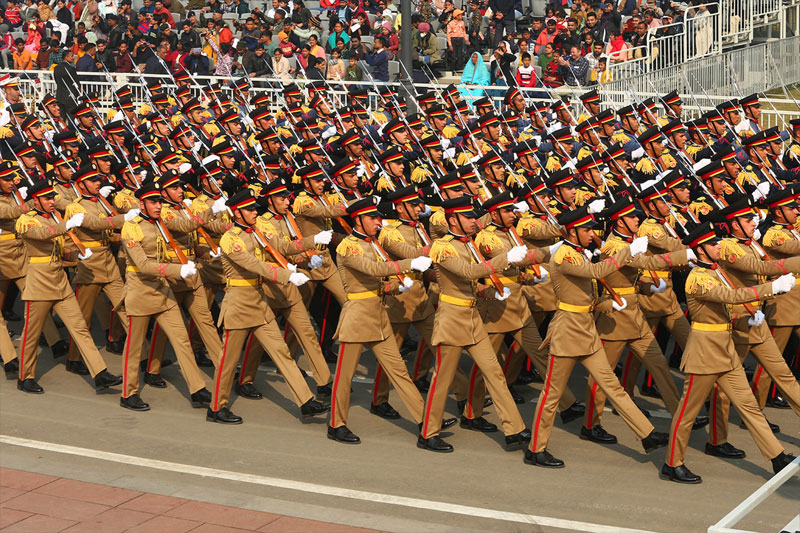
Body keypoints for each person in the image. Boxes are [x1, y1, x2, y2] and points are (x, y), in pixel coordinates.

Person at [15, 178, 122, 395]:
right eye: (46, 198)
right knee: (32, 334)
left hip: (60, 283)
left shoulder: (55, 217)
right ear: (36, 200)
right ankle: (25, 377)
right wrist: (67, 225)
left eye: (52, 197)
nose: (52, 202)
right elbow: (42, 235)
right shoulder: (26, 220)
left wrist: (79, 256)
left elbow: (63, 252)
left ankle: (99, 373)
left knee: (80, 328)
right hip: (40, 284)